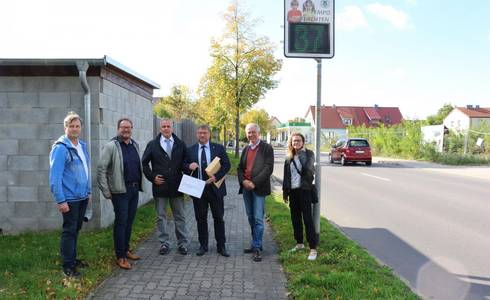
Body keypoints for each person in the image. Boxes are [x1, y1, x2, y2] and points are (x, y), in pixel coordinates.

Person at [97, 118, 143, 270]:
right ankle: (120, 256)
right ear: (118, 129)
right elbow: (101, 169)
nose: (126, 130)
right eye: (123, 127)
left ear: (132, 128)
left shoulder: (134, 145)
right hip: (120, 191)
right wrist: (106, 191)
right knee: (121, 223)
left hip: (134, 190)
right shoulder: (111, 146)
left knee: (129, 222)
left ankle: (126, 250)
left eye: (128, 127)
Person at [49, 111, 91, 277]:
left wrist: (88, 191)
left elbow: (86, 171)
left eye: (77, 126)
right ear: (65, 128)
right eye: (71, 126)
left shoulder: (82, 146)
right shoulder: (61, 148)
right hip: (69, 199)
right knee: (69, 231)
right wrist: (61, 200)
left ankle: (72, 259)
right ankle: (68, 266)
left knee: (76, 229)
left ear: (81, 128)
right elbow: (55, 177)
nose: (75, 129)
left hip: (82, 197)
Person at [141, 119, 189, 255]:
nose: (166, 128)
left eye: (168, 126)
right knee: (161, 216)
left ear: (172, 128)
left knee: (180, 216)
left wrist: (189, 168)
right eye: (164, 126)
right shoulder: (153, 144)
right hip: (160, 186)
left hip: (177, 186)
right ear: (160, 128)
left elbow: (185, 163)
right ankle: (164, 243)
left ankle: (182, 243)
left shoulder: (180, 144)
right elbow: (144, 164)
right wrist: (152, 177)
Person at [184, 125, 231, 257]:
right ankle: (203, 245)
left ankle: (221, 246)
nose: (202, 135)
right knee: (200, 219)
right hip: (198, 189)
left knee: (218, 218)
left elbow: (227, 165)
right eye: (199, 133)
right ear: (196, 134)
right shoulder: (190, 150)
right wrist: (188, 165)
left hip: (215, 189)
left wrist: (216, 177)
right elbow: (183, 165)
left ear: (209, 134)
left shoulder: (219, 148)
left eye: (204, 133)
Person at [237, 123, 274, 262]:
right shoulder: (246, 149)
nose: (251, 135)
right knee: (251, 217)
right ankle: (255, 243)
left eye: (253, 132)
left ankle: (257, 247)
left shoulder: (266, 148)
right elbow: (240, 168)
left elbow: (268, 168)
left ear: (259, 133)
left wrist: (254, 182)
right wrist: (243, 181)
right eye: (248, 132)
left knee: (258, 218)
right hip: (246, 188)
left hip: (259, 188)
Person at [282, 133, 318, 261]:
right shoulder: (289, 156)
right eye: (293, 141)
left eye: (298, 141)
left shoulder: (309, 154)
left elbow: (308, 170)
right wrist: (285, 192)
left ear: (303, 142)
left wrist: (300, 153)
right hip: (293, 192)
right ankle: (299, 243)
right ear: (291, 143)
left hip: (305, 191)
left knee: (307, 220)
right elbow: (286, 176)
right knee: (295, 219)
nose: (296, 143)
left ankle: (313, 248)